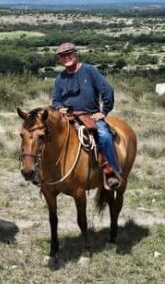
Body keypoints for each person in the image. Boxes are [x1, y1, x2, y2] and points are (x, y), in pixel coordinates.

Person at [51, 42, 122, 191]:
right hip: (68, 117)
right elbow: (56, 100)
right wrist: (59, 108)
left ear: (75, 55)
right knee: (46, 135)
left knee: (104, 136)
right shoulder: (60, 79)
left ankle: (111, 171)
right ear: (59, 59)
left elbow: (107, 90)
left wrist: (104, 111)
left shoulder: (90, 71)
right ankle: (45, 172)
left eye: (69, 54)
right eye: (63, 56)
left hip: (90, 115)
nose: (66, 58)